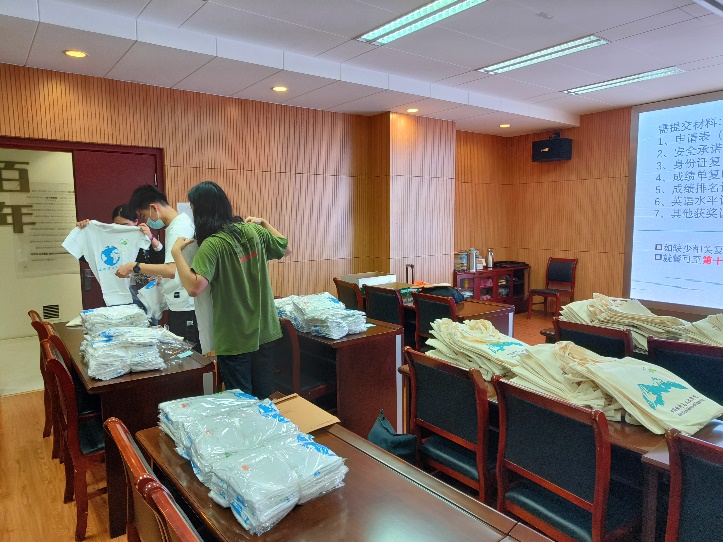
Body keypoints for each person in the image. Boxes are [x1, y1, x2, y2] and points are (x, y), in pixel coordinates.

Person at [170, 181, 290, 397]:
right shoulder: (254, 231)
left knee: (240, 401)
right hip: (265, 329)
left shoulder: (212, 244)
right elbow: (286, 248)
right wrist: (264, 223)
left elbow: (194, 287)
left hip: (235, 336)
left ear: (200, 212)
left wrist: (176, 253)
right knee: (263, 395)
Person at [120, 185, 199, 350]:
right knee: (181, 354)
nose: (146, 221)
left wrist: (135, 266)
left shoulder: (179, 228)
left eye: (144, 215)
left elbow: (171, 270)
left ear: (154, 208)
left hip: (185, 306)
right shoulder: (176, 226)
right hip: (179, 304)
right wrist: (158, 275)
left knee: (187, 357)